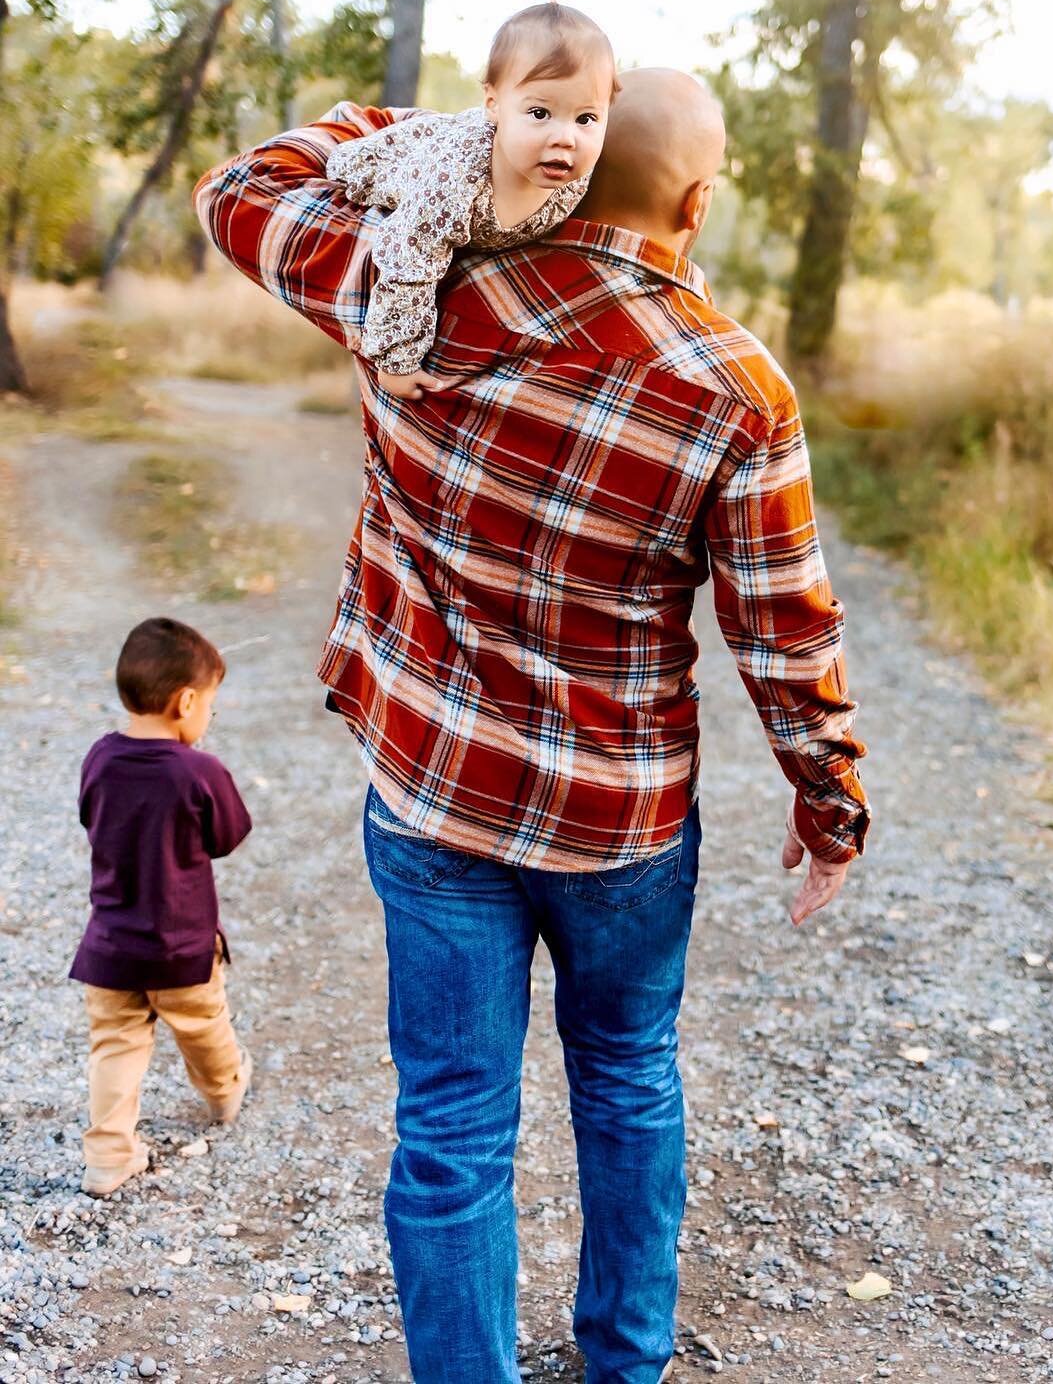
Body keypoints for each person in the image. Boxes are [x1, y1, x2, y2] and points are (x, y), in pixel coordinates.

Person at [194, 67, 869, 1384]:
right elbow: (786, 635)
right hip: (624, 822)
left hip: (438, 798)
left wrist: (444, 133)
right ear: (696, 197)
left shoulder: (412, 289)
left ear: (559, 158)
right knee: (626, 1077)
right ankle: (624, 1364)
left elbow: (240, 192)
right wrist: (828, 802)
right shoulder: (741, 388)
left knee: (451, 1125)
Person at [326, 0, 614, 398]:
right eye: (539, 112)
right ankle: (360, 138)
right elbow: (408, 259)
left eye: (586, 118)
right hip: (414, 161)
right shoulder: (454, 184)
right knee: (354, 169)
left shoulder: (574, 172)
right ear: (494, 103)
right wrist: (396, 361)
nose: (566, 138)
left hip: (468, 148)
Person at [69, 617, 254, 1199]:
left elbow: (88, 816)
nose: (208, 720)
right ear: (187, 700)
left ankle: (107, 1157)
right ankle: (224, 1095)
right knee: (204, 1028)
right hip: (182, 948)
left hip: (110, 949)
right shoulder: (198, 771)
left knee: (115, 1047)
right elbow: (228, 836)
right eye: (211, 708)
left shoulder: (100, 758)